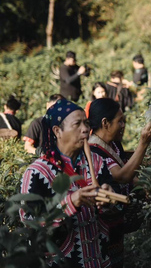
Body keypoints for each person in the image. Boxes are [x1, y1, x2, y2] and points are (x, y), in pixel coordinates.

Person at [20, 99, 114, 268]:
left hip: (99, 259)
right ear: (57, 131)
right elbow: (31, 222)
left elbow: (113, 203)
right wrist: (70, 203)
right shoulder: (37, 172)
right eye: (77, 124)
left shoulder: (97, 161)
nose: (85, 129)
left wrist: (108, 194)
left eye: (86, 123)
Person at [88, 98, 151, 268]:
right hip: (103, 227)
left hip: (117, 224)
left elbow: (130, 175)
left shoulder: (113, 145)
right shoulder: (94, 150)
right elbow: (121, 176)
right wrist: (143, 144)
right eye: (119, 121)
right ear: (105, 123)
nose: (123, 126)